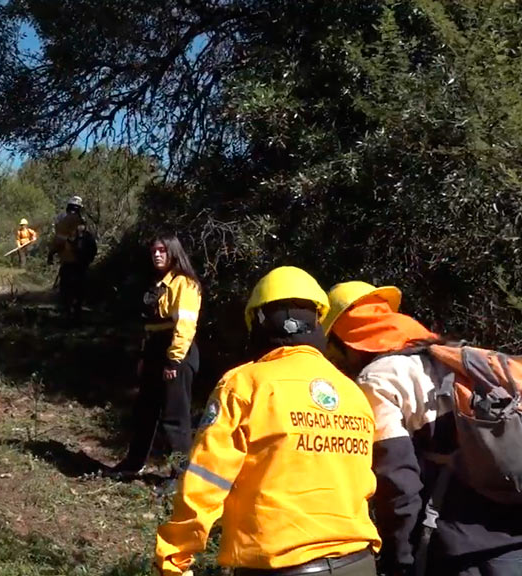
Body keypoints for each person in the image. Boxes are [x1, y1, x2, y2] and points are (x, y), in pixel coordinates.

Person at [156, 266, 380, 576]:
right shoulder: (353, 394)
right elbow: (362, 485)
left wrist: (174, 561)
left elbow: (206, 481)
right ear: (318, 320)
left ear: (258, 322)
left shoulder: (244, 385)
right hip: (359, 563)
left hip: (280, 567)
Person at [323, 281, 522, 576]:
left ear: (347, 343)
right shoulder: (457, 357)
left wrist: (399, 556)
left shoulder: (378, 378)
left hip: (456, 549)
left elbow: (397, 480)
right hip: (513, 535)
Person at [106, 234, 201, 481]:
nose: (157, 255)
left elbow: (185, 325)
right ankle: (133, 463)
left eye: (162, 250)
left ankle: (181, 477)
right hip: (154, 351)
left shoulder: (185, 284)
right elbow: (150, 325)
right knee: (145, 411)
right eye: (154, 251)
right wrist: (144, 356)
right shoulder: (157, 284)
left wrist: (174, 360)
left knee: (175, 418)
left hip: (176, 353)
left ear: (173, 253)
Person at [48, 196, 96, 319]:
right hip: (82, 263)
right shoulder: (84, 222)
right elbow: (92, 244)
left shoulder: (64, 222)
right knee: (80, 290)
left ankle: (67, 314)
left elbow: (58, 241)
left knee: (66, 290)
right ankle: (77, 314)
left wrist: (51, 254)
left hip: (68, 261)